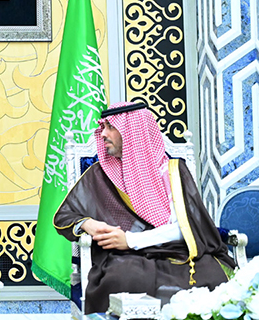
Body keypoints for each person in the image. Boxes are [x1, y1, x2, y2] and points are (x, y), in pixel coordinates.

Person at [54, 102, 235, 314]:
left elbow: (184, 227)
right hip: (124, 256)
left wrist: (131, 240)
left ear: (133, 133)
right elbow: (64, 216)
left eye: (111, 127)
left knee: (212, 276)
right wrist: (88, 223)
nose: (103, 134)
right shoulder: (99, 174)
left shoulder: (173, 171)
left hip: (176, 250)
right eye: (103, 127)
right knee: (124, 279)